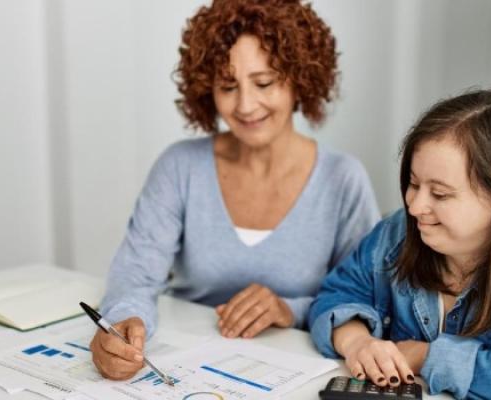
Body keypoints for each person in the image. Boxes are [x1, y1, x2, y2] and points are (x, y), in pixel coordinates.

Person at [90, 0, 381, 381]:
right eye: (228, 86)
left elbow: (367, 300)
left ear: (300, 79)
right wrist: (123, 322)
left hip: (297, 375)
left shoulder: (343, 179)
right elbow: (136, 276)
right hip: (184, 366)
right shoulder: (180, 167)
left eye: (264, 83)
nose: (245, 105)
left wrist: (287, 310)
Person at [308, 88, 491, 399]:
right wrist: (356, 340)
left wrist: (425, 355)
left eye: (439, 194)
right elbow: (339, 291)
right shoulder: (396, 232)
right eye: (413, 184)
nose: (414, 207)